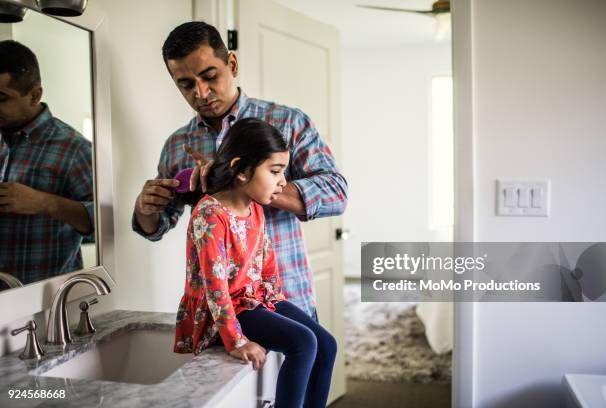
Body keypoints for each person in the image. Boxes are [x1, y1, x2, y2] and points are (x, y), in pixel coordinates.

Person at [133, 21, 348, 319]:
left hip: (286, 297)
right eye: (186, 84)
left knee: (313, 354)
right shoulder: (176, 145)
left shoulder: (287, 123)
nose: (201, 93)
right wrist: (145, 209)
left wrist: (244, 182)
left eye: (210, 76)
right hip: (221, 314)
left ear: (232, 63)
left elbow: (336, 193)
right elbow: (157, 226)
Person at [174, 118, 336, 408]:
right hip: (224, 309)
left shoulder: (255, 209)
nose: (283, 181)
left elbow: (267, 266)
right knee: (303, 343)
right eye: (275, 171)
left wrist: (277, 306)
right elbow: (215, 289)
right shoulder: (210, 215)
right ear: (242, 170)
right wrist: (236, 340)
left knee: (326, 344)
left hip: (254, 299)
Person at [0, 40, 94, 285]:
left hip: (46, 305)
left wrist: (44, 203)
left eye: (1, 98)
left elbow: (104, 223)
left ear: (34, 95)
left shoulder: (75, 149)